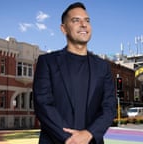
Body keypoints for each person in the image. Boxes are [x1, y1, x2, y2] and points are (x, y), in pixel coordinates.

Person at [33, 2, 117, 144]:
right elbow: (43, 105)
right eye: (76, 20)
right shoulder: (47, 62)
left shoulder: (103, 67)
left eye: (87, 20)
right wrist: (70, 139)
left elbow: (109, 107)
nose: (83, 24)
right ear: (63, 28)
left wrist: (89, 134)